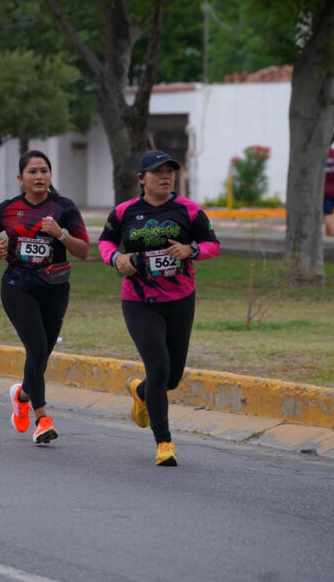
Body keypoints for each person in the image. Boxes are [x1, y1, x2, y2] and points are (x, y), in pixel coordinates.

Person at [98, 150, 220, 466]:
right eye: (157, 172)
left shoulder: (188, 210)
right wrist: (117, 258)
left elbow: (213, 245)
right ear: (141, 179)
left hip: (180, 299)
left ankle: (141, 392)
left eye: (170, 171)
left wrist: (190, 249)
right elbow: (105, 242)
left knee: (172, 378)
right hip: (139, 301)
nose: (165, 177)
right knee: (159, 367)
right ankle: (164, 442)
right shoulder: (124, 211)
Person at [0, 150, 89, 445]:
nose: (39, 177)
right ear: (20, 178)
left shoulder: (64, 208)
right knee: (36, 349)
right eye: (32, 172)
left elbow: (85, 251)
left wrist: (61, 234)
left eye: (44, 171)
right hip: (17, 285)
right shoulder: (9, 208)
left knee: (42, 355)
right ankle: (43, 419)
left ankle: (22, 395)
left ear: (50, 176)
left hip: (55, 288)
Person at [324, 139, 334, 237]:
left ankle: (332, 236)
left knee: (327, 214)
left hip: (326, 190)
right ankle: (329, 236)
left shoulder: (321, 156)